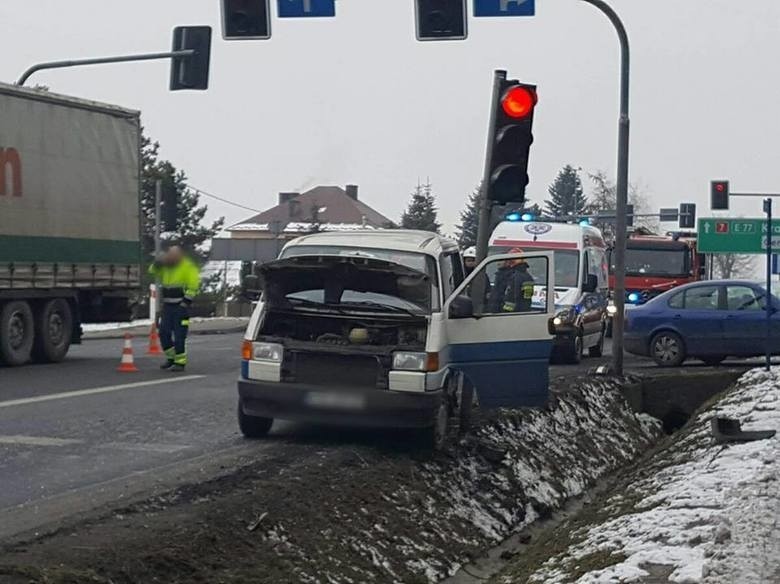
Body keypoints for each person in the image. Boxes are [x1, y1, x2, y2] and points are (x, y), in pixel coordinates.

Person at [148, 245, 201, 371]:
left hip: (181, 307)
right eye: (169, 254)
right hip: (168, 307)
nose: (170, 257)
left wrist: (185, 303)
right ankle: (171, 358)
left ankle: (180, 362)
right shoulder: (167, 266)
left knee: (179, 335)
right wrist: (159, 261)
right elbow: (152, 271)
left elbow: (193, 286)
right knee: (163, 333)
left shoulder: (188, 267)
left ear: (179, 255)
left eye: (173, 254)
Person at [487, 248, 535, 313]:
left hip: (511, 314)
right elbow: (526, 299)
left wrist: (504, 312)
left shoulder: (515, 276)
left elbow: (511, 297)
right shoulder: (527, 276)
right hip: (522, 313)